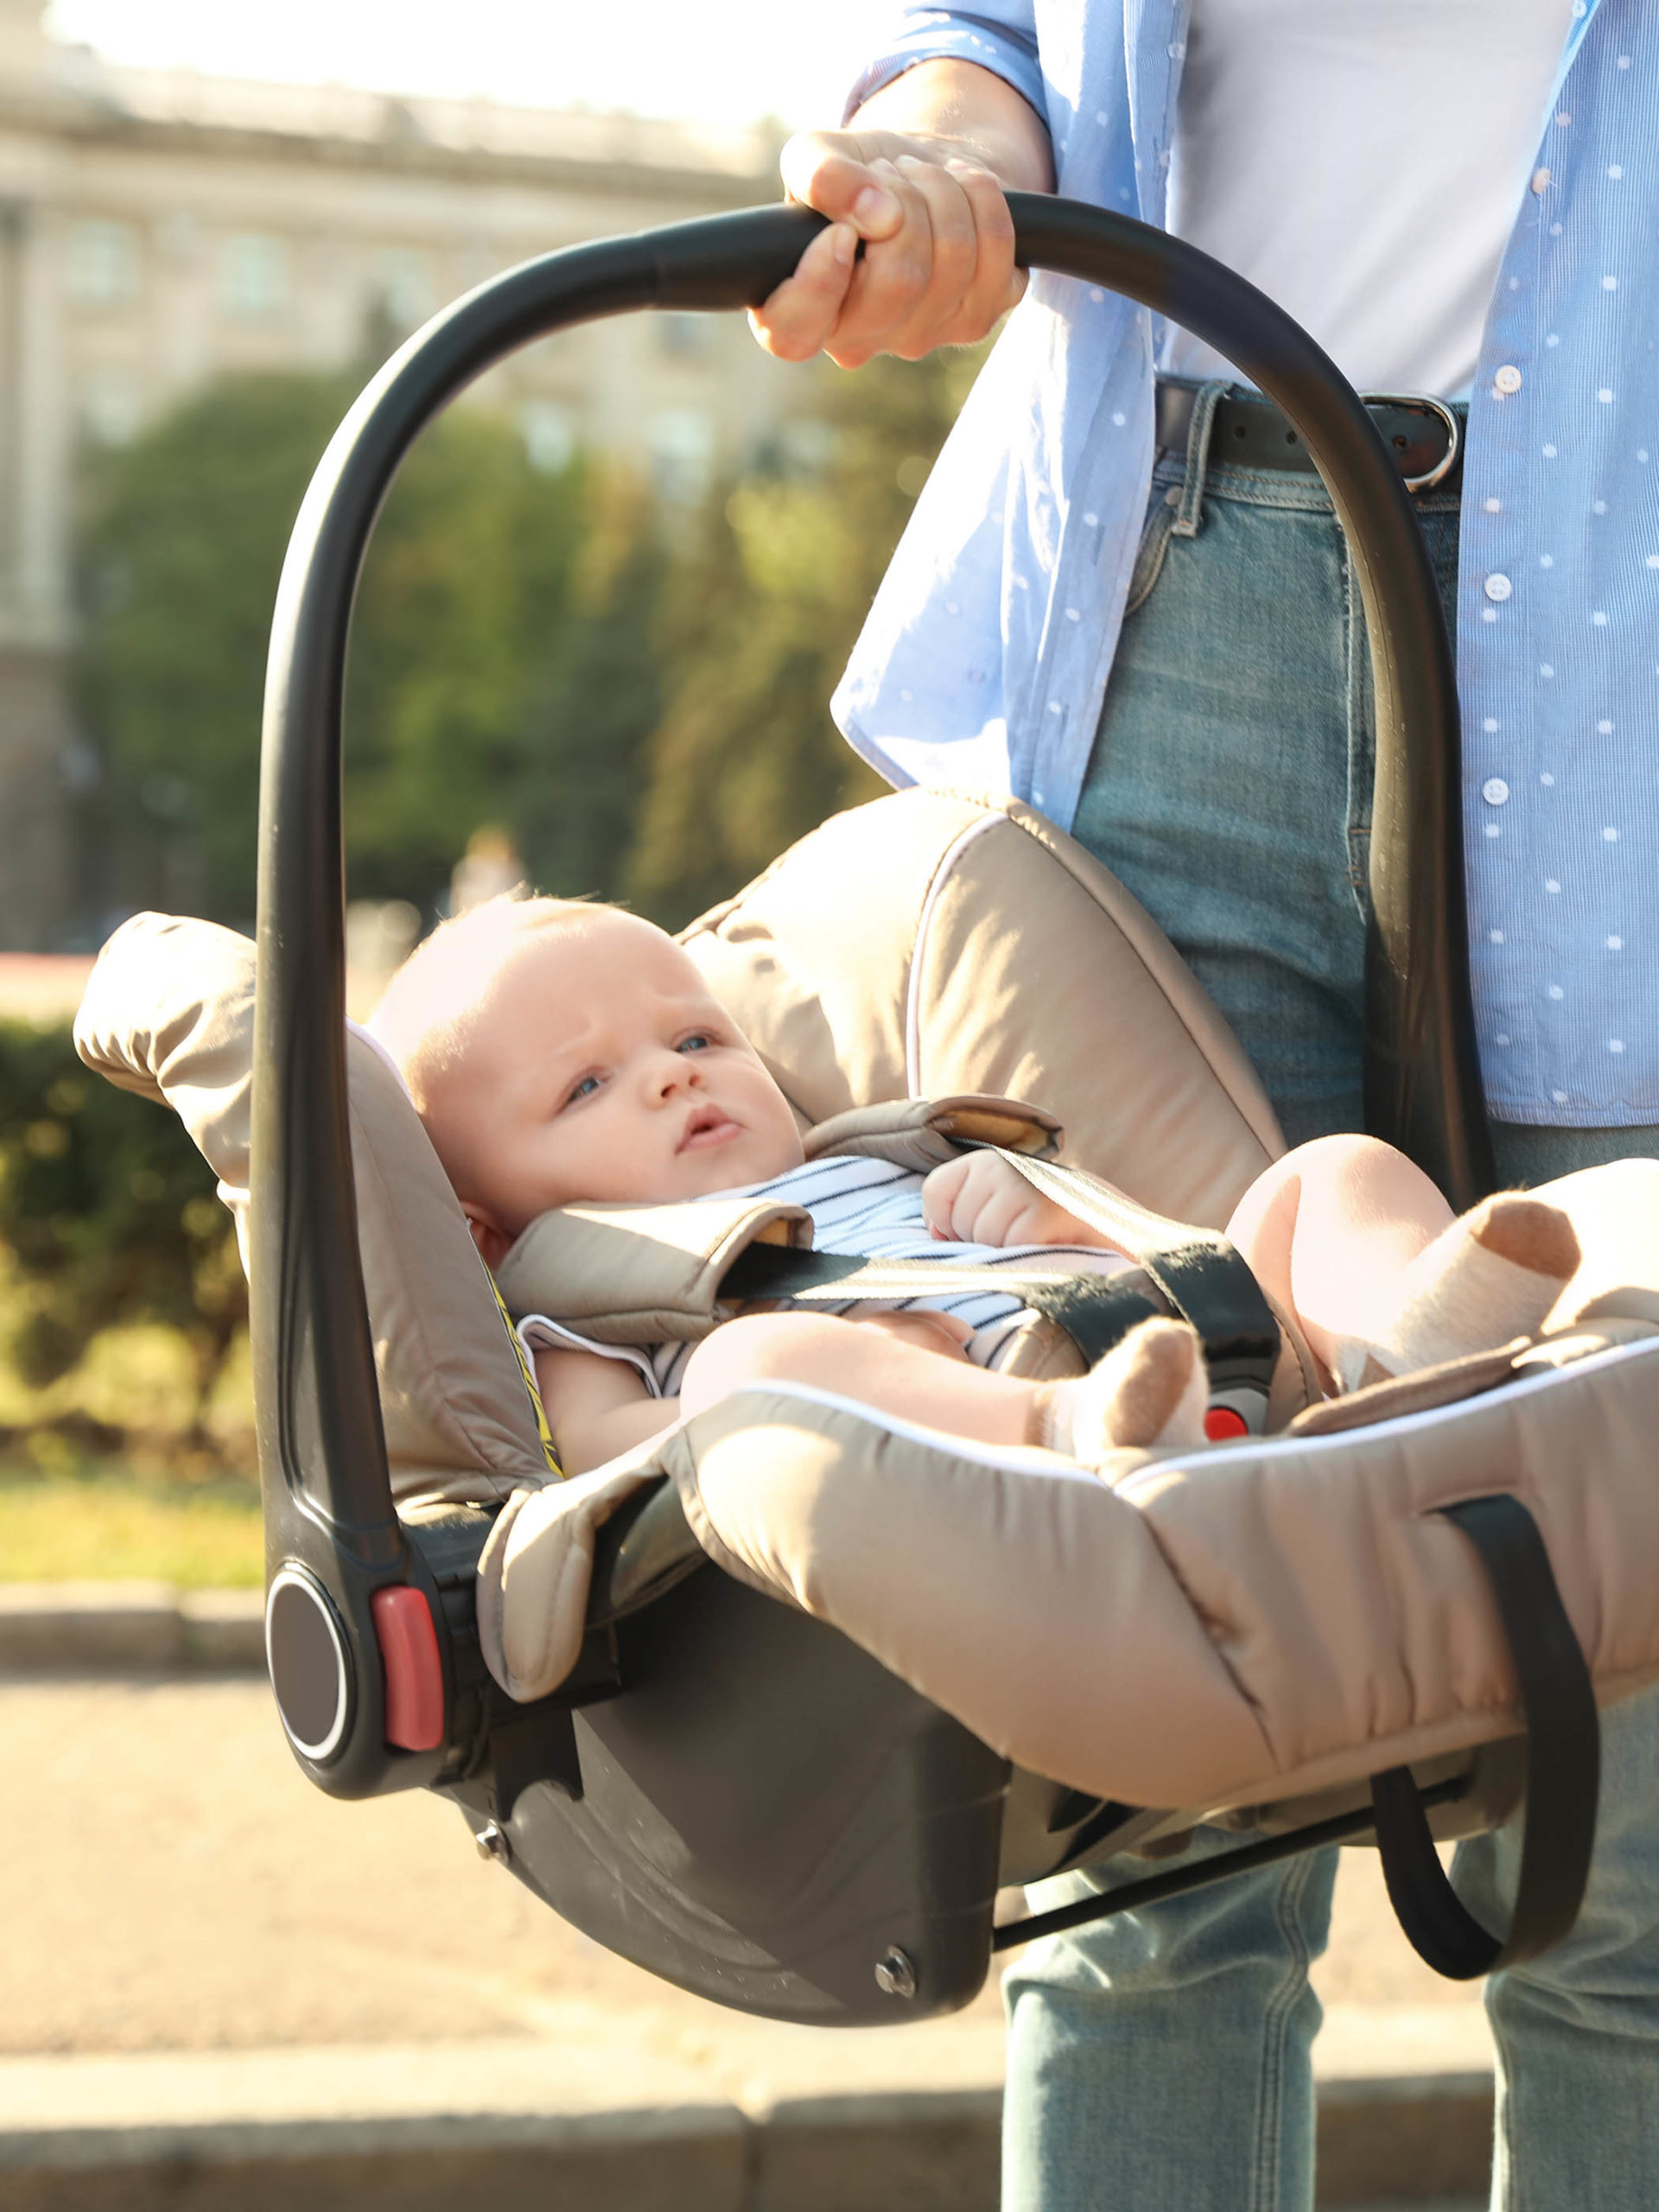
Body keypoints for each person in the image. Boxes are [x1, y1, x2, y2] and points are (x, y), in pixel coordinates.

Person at [747, 4, 1659, 2206]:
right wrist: (953, 133)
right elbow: (987, 25)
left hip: (1630, 606)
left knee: (1636, 1822)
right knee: (1163, 1780)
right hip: (1182, 576)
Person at [369, 892, 1586, 1482]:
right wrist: (830, 1388)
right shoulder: (586, 1298)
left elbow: (1165, 1249)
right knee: (751, 1368)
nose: (667, 1084)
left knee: (1333, 1175)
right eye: (585, 1089)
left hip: (1209, 1348)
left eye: (694, 1042)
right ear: (491, 1229)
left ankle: (1405, 1357)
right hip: (1013, 1451)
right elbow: (601, 1449)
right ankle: (1082, 1429)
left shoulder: (885, 1162)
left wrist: (1068, 1214)